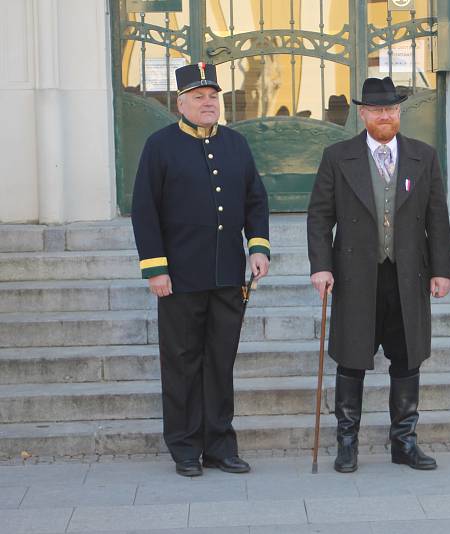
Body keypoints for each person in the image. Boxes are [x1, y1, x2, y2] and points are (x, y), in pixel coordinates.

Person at [131, 62, 270, 477]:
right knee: (182, 362)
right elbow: (145, 210)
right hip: (179, 279)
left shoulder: (235, 144)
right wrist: (155, 268)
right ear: (181, 103)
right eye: (198, 97)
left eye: (213, 96)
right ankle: (186, 447)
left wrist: (257, 247)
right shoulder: (160, 145)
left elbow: (255, 200)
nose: (208, 103)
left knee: (220, 362)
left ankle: (220, 446)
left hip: (228, 276)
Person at [307, 77, 450, 473]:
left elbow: (437, 218)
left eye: (391, 110)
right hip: (356, 277)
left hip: (408, 276)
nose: (385, 116)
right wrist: (321, 265)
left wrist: (442, 271)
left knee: (407, 360)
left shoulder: (424, 156)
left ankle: (403, 442)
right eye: (377, 110)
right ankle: (347, 444)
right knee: (352, 359)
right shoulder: (338, 157)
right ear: (364, 114)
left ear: (398, 113)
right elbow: (320, 216)